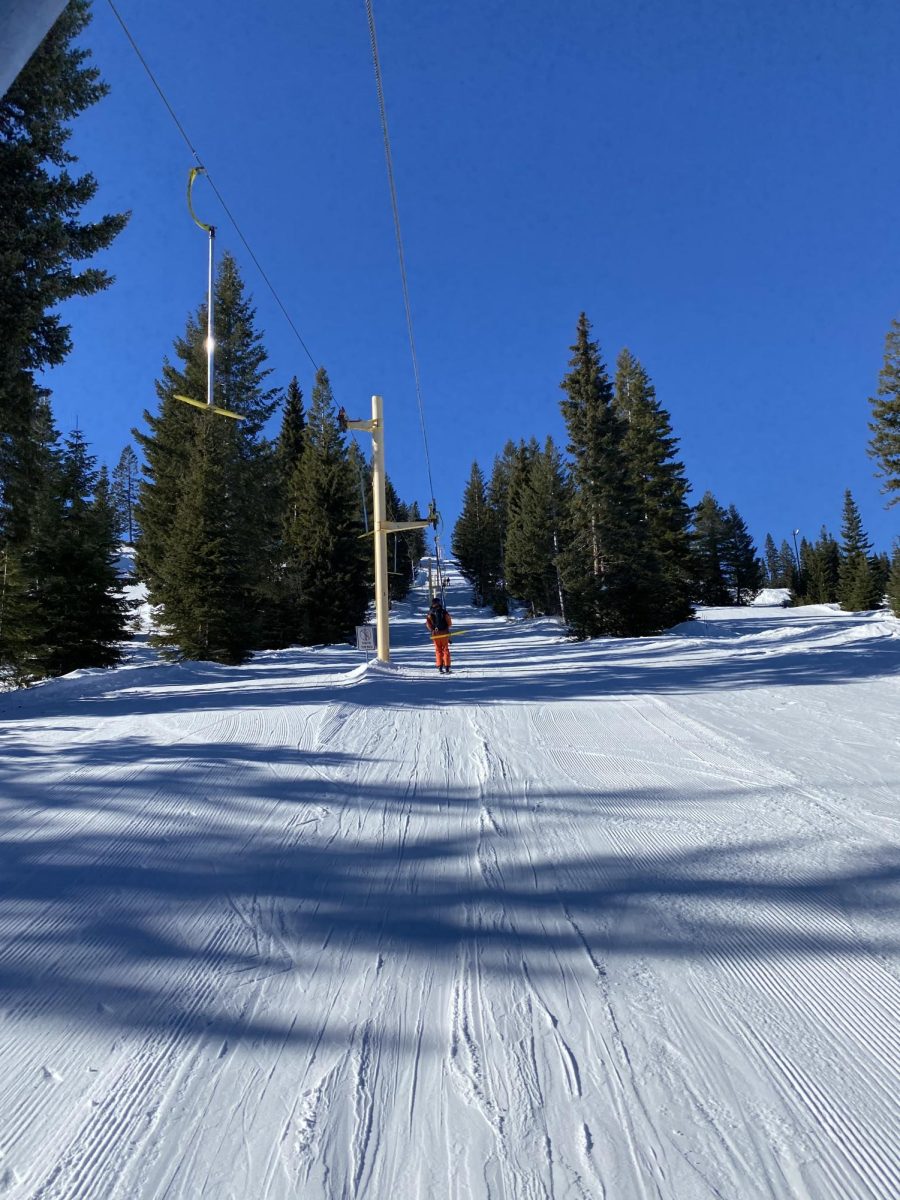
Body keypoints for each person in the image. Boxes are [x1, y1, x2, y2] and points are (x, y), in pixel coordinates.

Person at [425, 596, 452, 673]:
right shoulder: (443, 612)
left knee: (438, 650)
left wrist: (432, 630)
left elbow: (428, 625)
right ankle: (447, 666)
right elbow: (449, 622)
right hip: (444, 633)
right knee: (445, 650)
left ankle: (440, 666)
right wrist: (446, 627)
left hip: (435, 634)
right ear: (439, 603)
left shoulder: (430, 613)